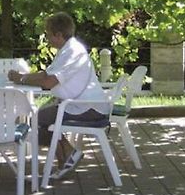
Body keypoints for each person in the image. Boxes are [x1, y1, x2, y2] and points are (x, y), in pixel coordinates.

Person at [8, 12, 109, 179]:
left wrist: (22, 78)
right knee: (40, 118)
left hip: (88, 107)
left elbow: (48, 82)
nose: (46, 38)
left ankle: (69, 154)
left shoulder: (73, 52)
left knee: (37, 118)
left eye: (48, 34)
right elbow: (45, 75)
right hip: (79, 104)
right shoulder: (67, 50)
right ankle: (66, 157)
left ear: (58, 35)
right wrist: (21, 77)